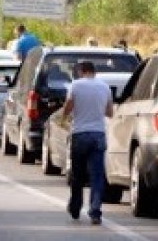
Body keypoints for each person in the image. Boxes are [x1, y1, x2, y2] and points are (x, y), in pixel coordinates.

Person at [62, 60, 114, 226]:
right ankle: (95, 212)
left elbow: (68, 106)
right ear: (94, 71)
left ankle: (76, 207)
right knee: (97, 176)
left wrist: (64, 116)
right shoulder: (105, 87)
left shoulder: (75, 85)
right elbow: (110, 112)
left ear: (81, 71)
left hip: (80, 133)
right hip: (98, 134)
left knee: (77, 175)